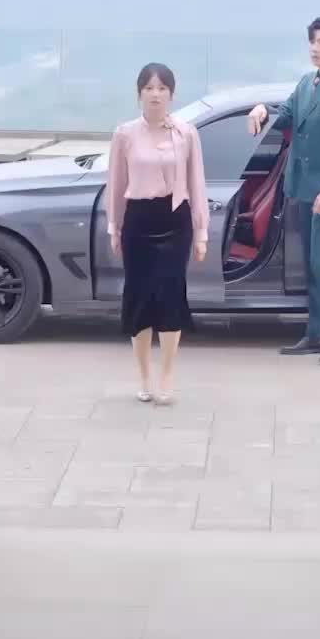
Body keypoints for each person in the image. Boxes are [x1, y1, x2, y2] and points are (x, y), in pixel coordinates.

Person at [248, 15, 320, 366]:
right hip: (303, 187)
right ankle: (318, 334)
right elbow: (285, 115)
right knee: (313, 265)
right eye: (313, 41)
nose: (315, 48)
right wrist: (262, 109)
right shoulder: (306, 82)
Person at [107, 63, 209, 405]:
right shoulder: (125, 134)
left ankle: (166, 376)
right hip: (138, 220)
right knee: (138, 297)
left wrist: (201, 231)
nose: (155, 94)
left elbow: (196, 183)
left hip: (174, 220)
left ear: (172, 94)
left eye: (162, 88)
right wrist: (114, 226)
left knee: (169, 294)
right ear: (139, 93)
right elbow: (116, 184)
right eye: (149, 88)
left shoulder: (186, 133)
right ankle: (144, 377)